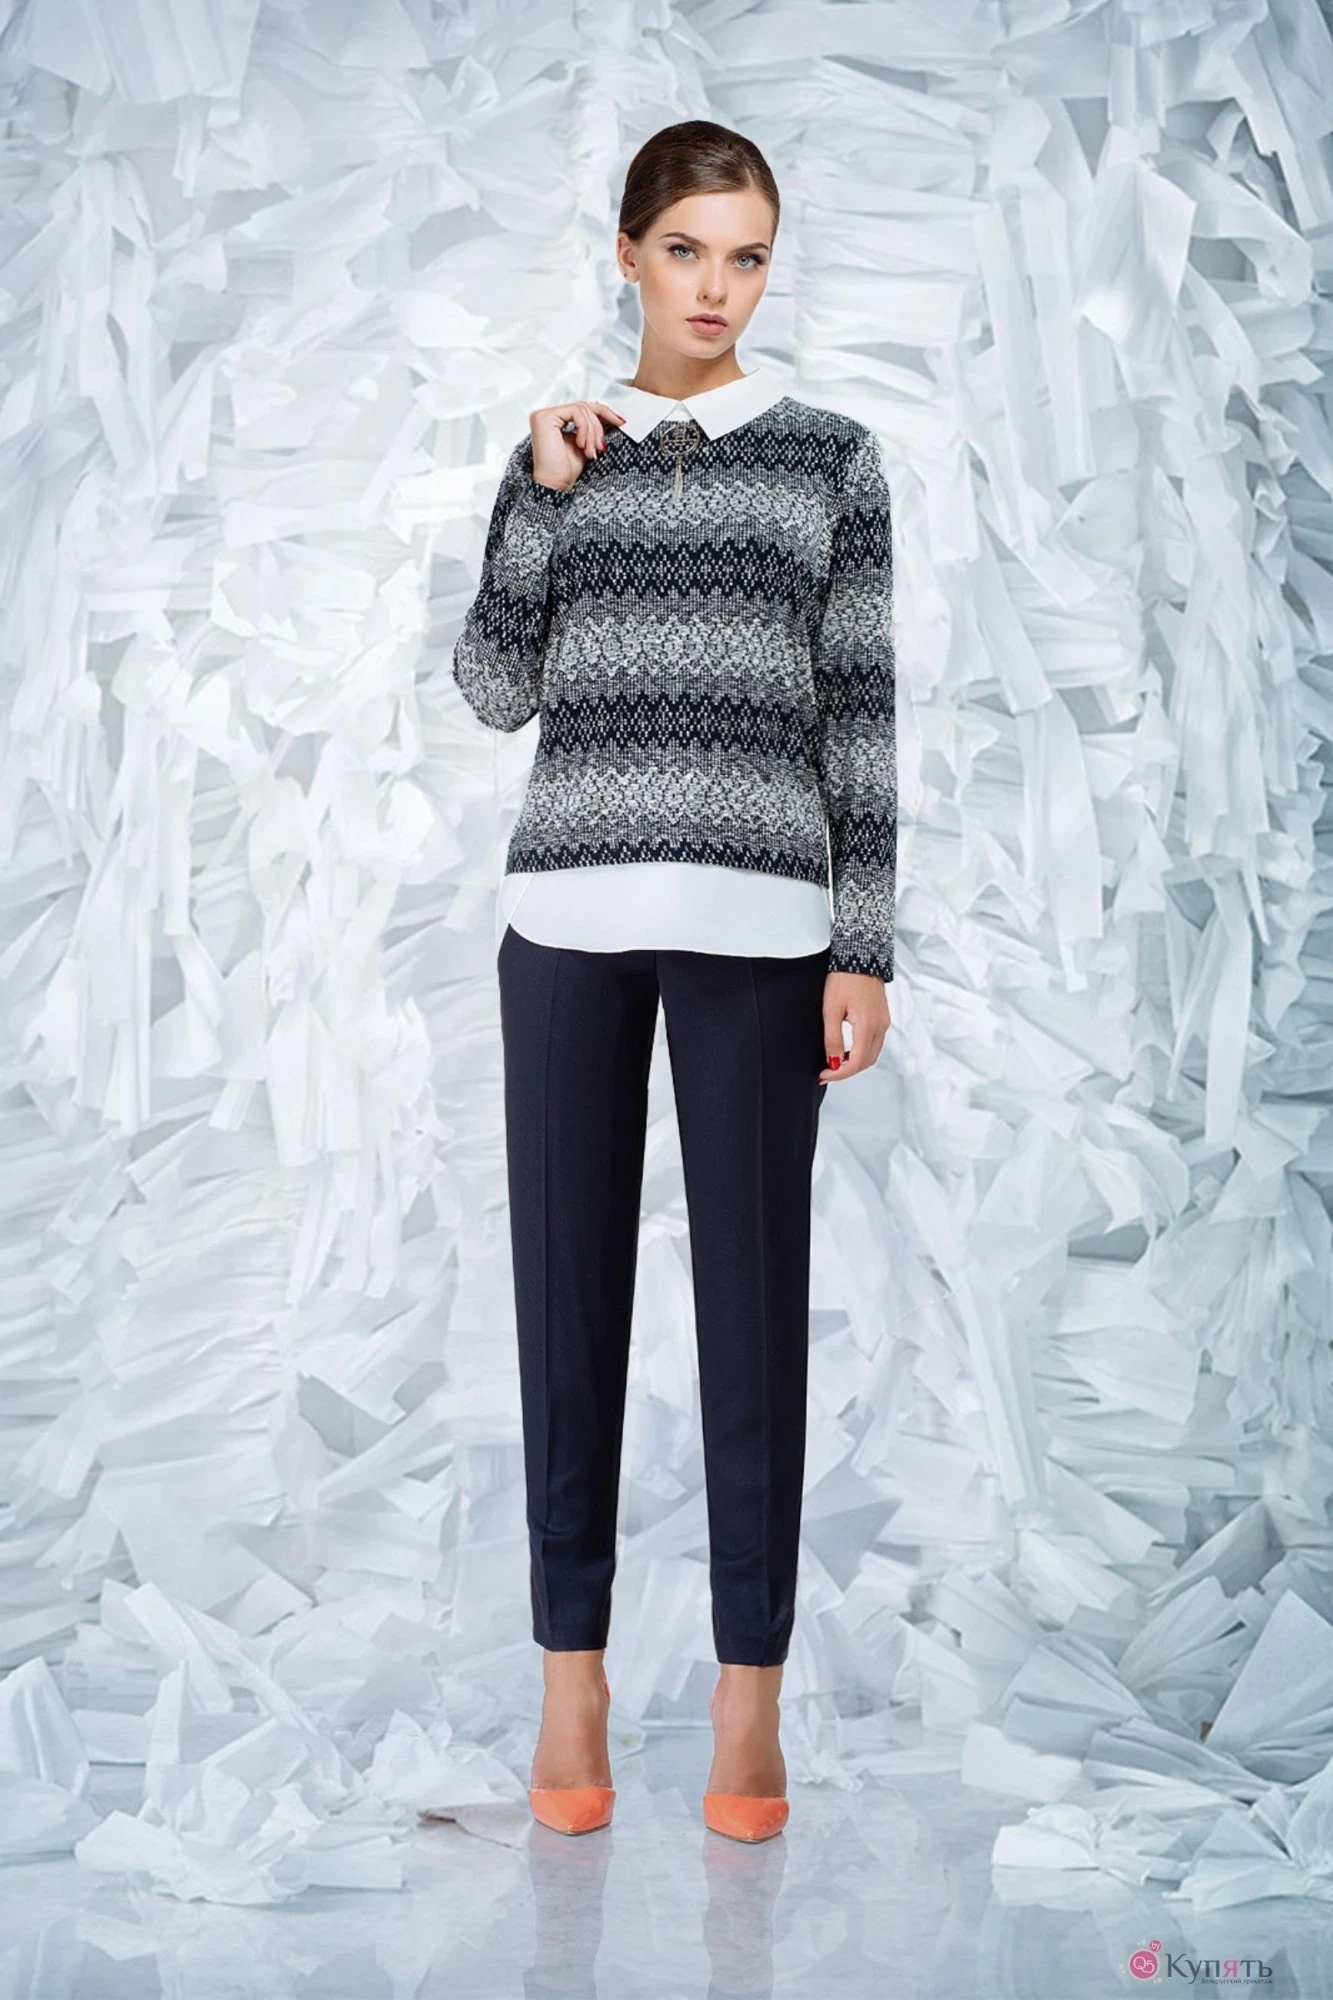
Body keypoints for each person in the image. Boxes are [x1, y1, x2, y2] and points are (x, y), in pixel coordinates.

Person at [452, 119, 896, 1843]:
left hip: (765, 931)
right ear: (630, 254)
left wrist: (865, 943)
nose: (719, 288)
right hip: (568, 915)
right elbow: (494, 688)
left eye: (750, 254)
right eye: (690, 250)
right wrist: (535, 494)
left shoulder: (832, 460)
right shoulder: (567, 454)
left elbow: (860, 707)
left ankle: (747, 1699)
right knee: (565, 1309)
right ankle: (569, 1679)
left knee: (752, 1321)